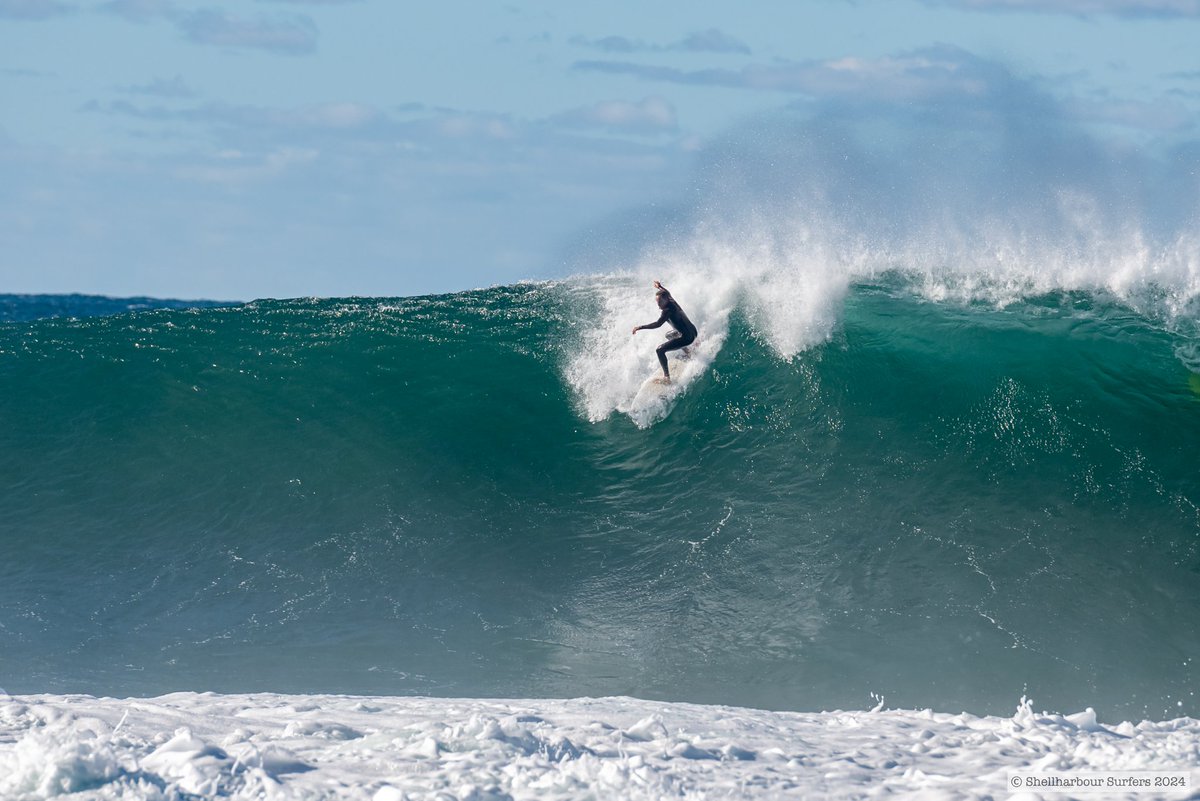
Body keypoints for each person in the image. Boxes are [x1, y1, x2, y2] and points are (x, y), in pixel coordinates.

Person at [631, 280, 697, 383]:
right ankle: (689, 352)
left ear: (665, 300)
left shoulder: (667, 311)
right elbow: (667, 292)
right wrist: (660, 287)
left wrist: (639, 327)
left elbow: (657, 324)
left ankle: (667, 378)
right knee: (669, 335)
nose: (658, 305)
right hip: (693, 331)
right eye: (657, 302)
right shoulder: (671, 301)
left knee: (659, 350)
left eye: (660, 302)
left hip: (687, 338)